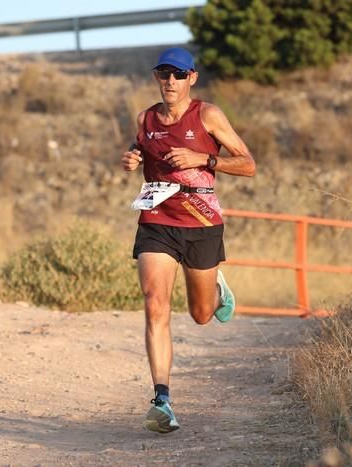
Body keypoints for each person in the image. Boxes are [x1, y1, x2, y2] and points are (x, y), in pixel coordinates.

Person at [121, 47, 256, 434]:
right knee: (155, 303)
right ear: (156, 77)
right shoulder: (144, 118)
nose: (171, 81)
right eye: (164, 74)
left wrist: (204, 159)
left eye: (179, 75)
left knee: (200, 315)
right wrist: (131, 157)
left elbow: (248, 164)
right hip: (157, 220)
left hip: (201, 223)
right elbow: (143, 148)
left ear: (192, 78)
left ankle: (216, 290)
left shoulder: (207, 115)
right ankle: (161, 399)